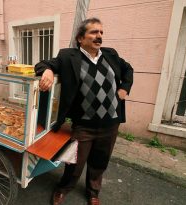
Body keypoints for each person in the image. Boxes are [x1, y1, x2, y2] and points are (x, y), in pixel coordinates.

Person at [35, 17, 134, 205]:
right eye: (94, 32)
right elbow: (43, 64)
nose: (99, 36)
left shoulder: (110, 54)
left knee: (100, 161)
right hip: (84, 125)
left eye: (101, 32)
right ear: (81, 38)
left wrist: (125, 88)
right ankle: (63, 188)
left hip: (111, 123)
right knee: (74, 162)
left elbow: (128, 69)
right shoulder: (68, 56)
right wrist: (47, 71)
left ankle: (93, 192)